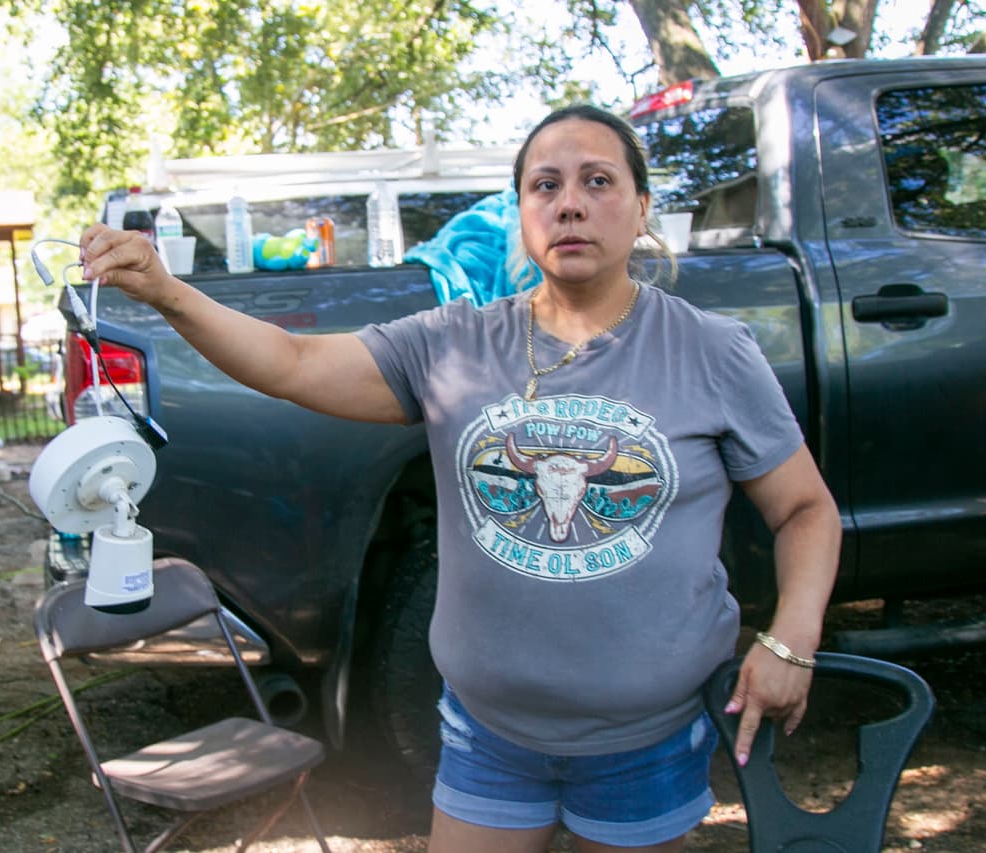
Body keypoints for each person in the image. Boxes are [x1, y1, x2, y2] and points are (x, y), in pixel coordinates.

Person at [80, 104, 841, 853]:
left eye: (598, 181)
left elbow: (806, 510)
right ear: (520, 214)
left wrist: (791, 640)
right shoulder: (453, 345)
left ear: (642, 208)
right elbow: (292, 363)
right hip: (489, 737)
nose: (570, 202)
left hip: (648, 739)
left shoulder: (713, 351)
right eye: (545, 186)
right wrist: (166, 292)